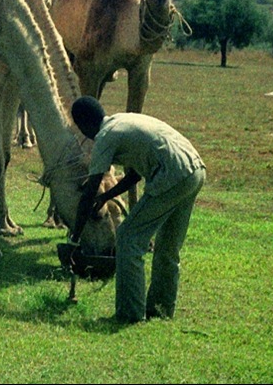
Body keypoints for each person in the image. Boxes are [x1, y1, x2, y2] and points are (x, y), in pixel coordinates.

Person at [68, 95, 206, 324]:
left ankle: (129, 314)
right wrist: (106, 197)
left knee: (128, 237)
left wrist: (75, 237)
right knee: (168, 247)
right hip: (195, 171)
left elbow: (88, 191)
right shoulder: (123, 122)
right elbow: (133, 175)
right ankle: (160, 311)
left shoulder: (105, 137)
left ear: (83, 125)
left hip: (172, 175)